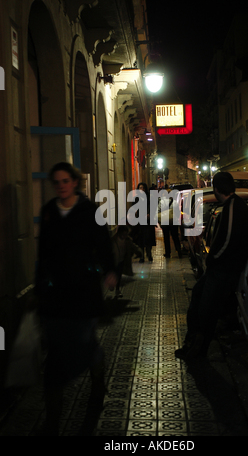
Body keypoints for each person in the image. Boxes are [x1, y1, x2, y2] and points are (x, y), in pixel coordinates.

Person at [35, 162, 117, 435]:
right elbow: (43, 253)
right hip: (56, 294)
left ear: (74, 182)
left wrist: (110, 270)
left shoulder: (89, 211)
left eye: (65, 181)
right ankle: (53, 419)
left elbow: (103, 243)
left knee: (85, 342)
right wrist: (39, 288)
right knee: (56, 352)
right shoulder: (49, 212)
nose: (61, 186)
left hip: (83, 291)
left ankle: (97, 381)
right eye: (56, 182)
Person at [175, 171, 248, 360]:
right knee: (199, 301)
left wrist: (213, 259)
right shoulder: (233, 206)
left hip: (223, 270)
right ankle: (194, 345)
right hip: (222, 269)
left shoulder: (232, 208)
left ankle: (198, 349)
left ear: (217, 189)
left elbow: (227, 240)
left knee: (205, 309)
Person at [112, 225, 143, 298]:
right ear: (118, 233)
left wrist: (139, 252)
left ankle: (117, 290)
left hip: (121, 260)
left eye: (126, 234)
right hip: (113, 261)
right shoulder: (113, 240)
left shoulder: (127, 240)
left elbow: (134, 247)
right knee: (114, 274)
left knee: (119, 275)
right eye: (123, 234)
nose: (124, 236)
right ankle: (112, 285)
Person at [134, 182, 156, 262]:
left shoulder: (149, 197)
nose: (142, 189)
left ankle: (149, 255)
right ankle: (142, 256)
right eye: (140, 188)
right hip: (140, 222)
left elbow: (153, 207)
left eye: (143, 188)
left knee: (148, 239)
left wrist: (149, 214)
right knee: (140, 240)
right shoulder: (136, 198)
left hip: (148, 221)